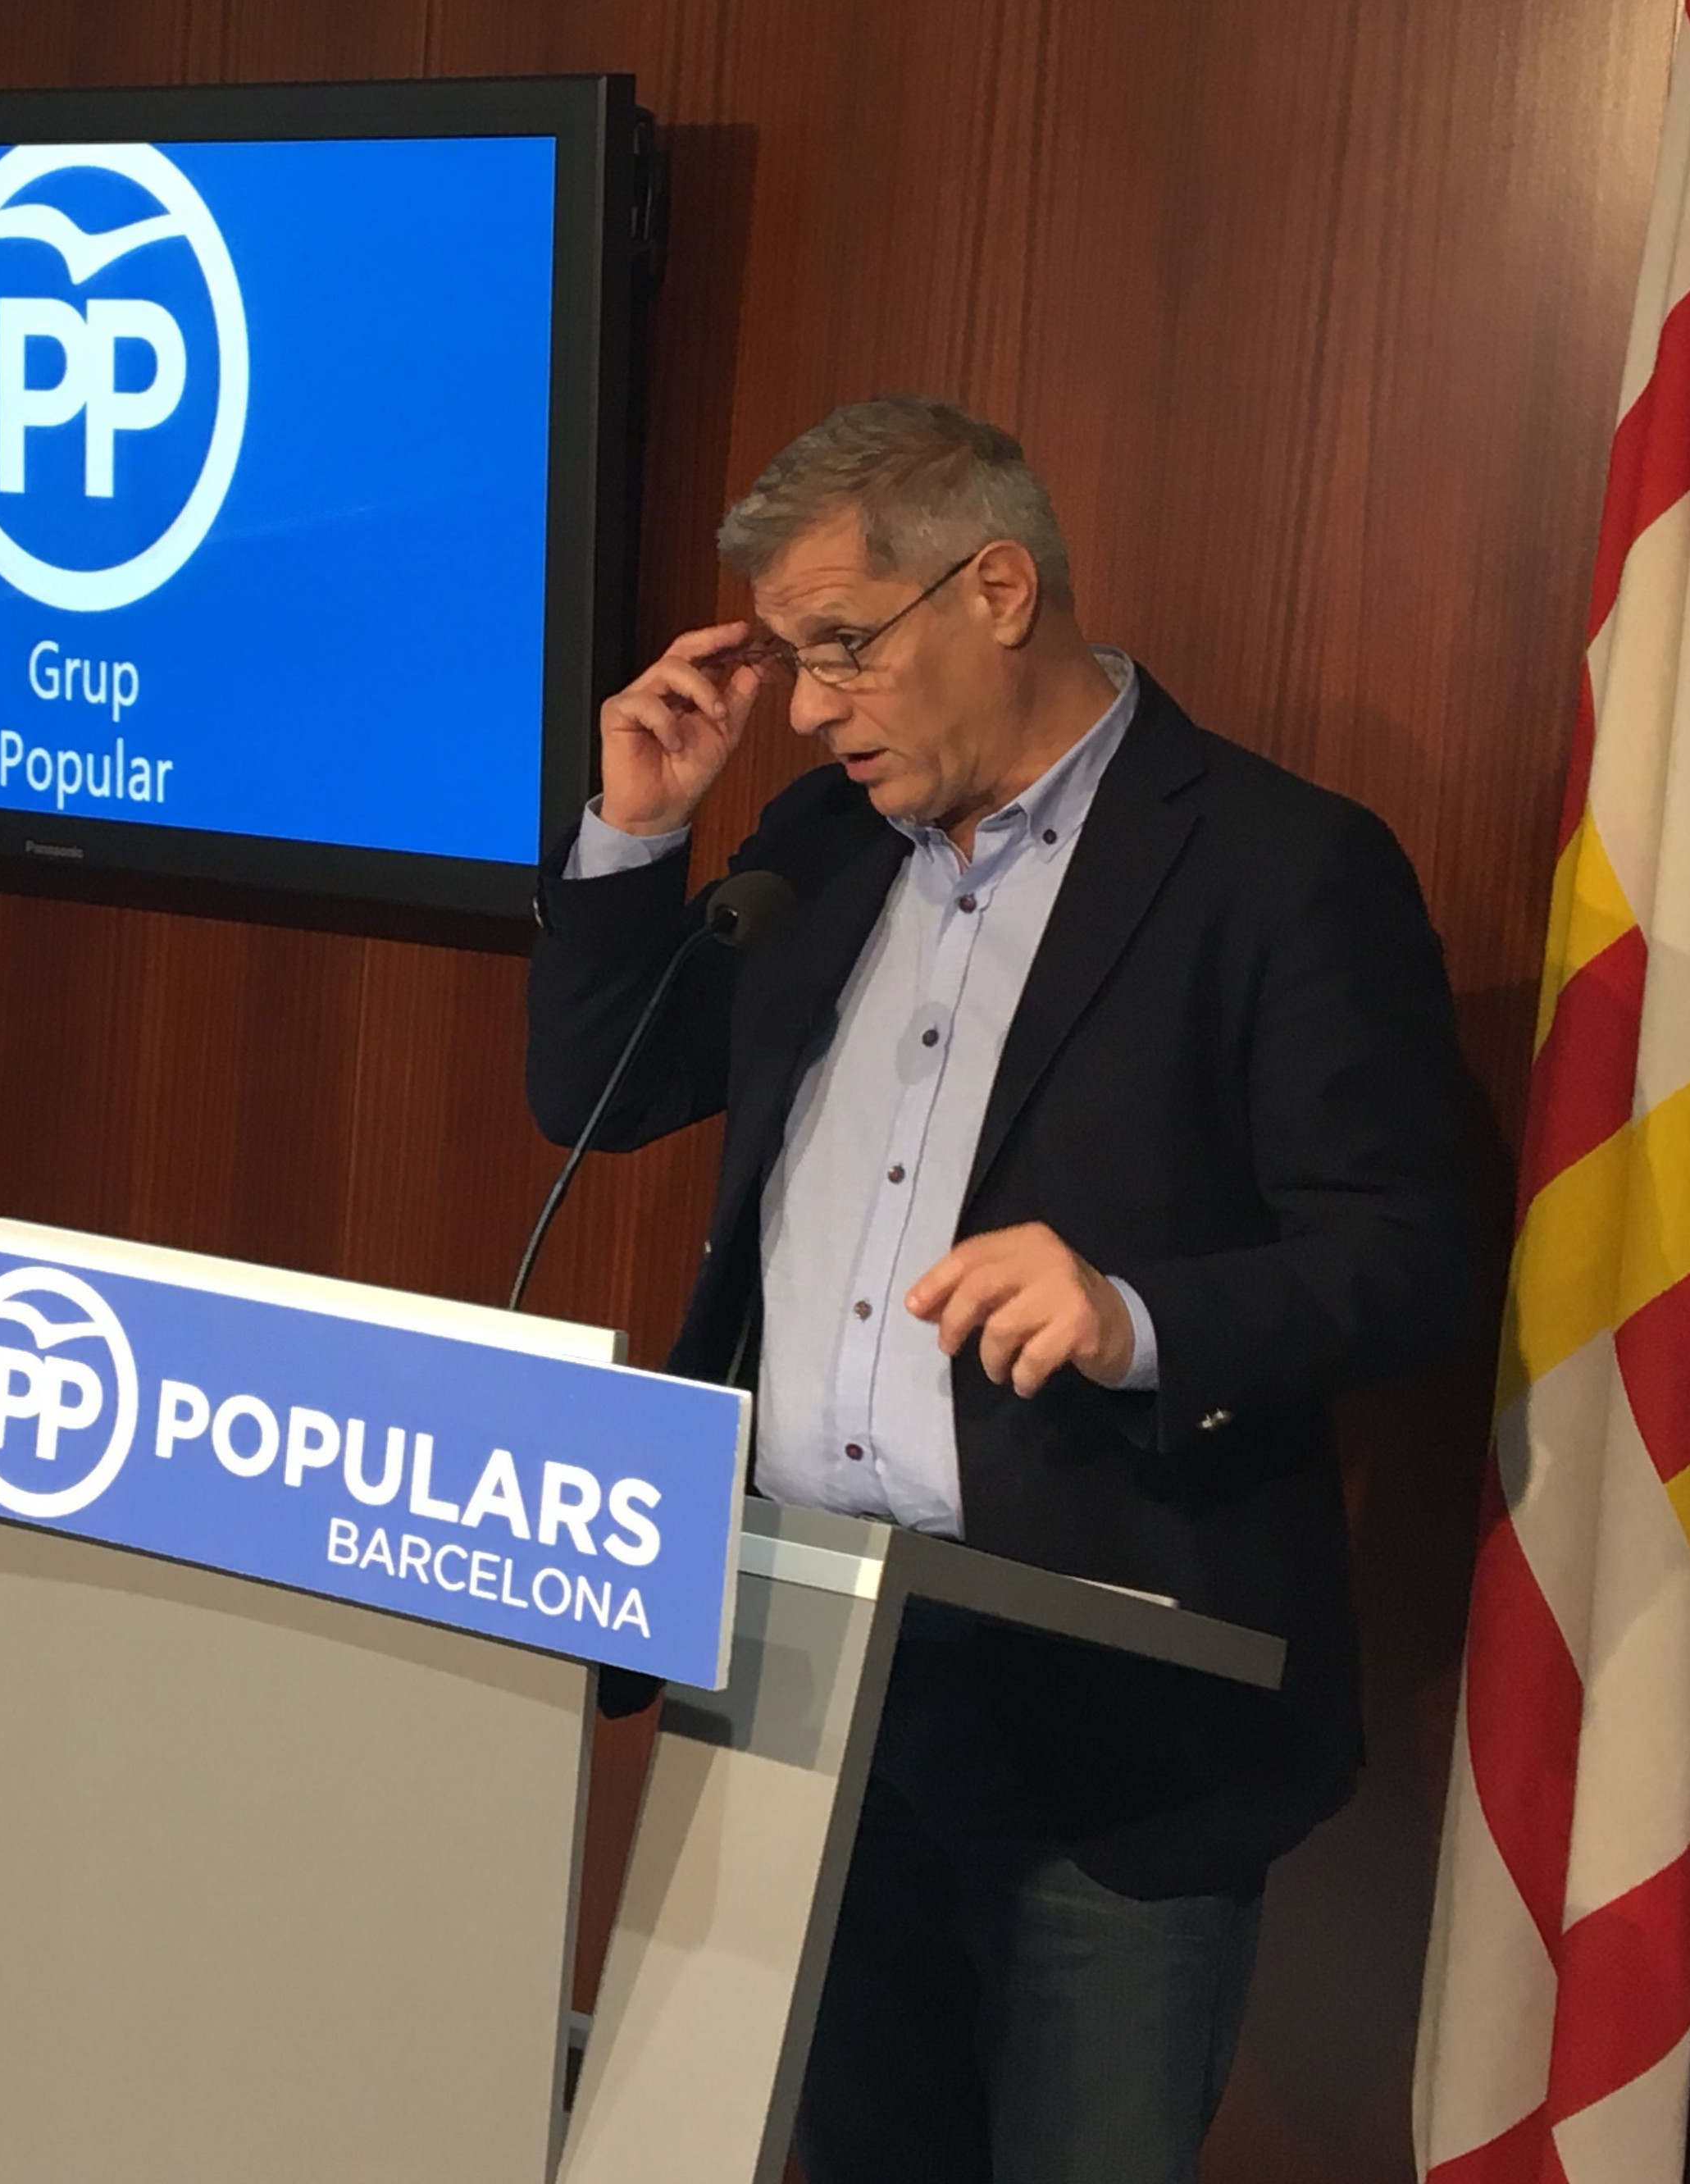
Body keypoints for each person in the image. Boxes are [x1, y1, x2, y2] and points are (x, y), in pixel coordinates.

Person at [526, 396, 1489, 2184]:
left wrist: (1132, 1316)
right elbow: (595, 1097)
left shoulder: (1278, 868)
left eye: (840, 650)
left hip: (1105, 1718)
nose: (807, 710)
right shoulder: (809, 853)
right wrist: (634, 831)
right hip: (801, 1677)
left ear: (993, 588)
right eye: (794, 660)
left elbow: (1410, 1262)